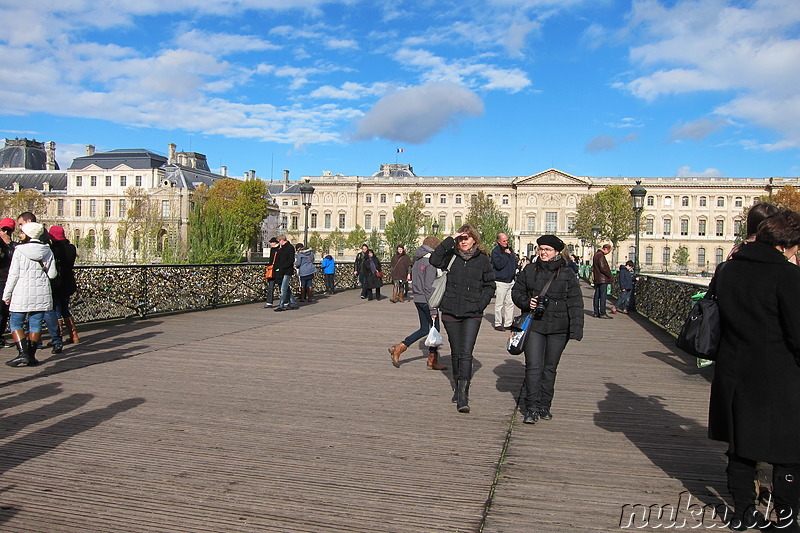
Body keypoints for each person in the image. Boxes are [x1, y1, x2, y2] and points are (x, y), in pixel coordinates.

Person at [708, 209, 800, 532]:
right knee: (788, 450)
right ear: (783, 245)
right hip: (777, 377)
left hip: (732, 372)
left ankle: (744, 510)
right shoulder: (788, 276)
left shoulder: (728, 270)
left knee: (740, 446)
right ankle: (786, 518)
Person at [511, 235, 583, 425]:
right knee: (533, 366)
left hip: (559, 328)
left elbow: (575, 302)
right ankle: (531, 408)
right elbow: (516, 292)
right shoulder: (529, 270)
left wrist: (576, 329)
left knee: (549, 368)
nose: (543, 252)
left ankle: (545, 405)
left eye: (547, 249)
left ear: (557, 252)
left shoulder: (567, 273)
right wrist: (527, 302)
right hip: (535, 324)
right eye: (541, 249)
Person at [429, 224, 495, 413]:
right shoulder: (451, 257)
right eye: (461, 238)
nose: (463, 241)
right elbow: (434, 259)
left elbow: (490, 285)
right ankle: (458, 386)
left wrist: (480, 304)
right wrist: (450, 238)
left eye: (467, 237)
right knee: (456, 352)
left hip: (472, 313)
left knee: (466, 353)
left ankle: (463, 395)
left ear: (475, 239)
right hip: (450, 310)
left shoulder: (483, 260)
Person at [388, 236, 447, 370]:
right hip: (428, 300)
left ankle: (401, 348)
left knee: (424, 329)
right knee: (435, 329)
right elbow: (428, 287)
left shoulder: (417, 261)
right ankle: (429, 359)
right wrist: (433, 309)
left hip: (418, 299)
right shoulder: (430, 263)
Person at [3, 222, 58, 367]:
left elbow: (13, 275)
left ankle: (23, 353)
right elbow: (52, 274)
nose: (20, 235)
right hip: (41, 292)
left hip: (22, 292)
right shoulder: (47, 250)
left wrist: (6, 294)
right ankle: (31, 356)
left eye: (22, 233)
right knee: (35, 323)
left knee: (15, 322)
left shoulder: (19, 250)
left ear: (27, 235)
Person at [48, 225, 79, 344]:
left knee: (56, 309)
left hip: (56, 283)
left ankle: (57, 337)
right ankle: (74, 335)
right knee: (65, 309)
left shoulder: (53, 248)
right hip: (68, 281)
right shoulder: (71, 248)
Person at [491, 233, 516, 332]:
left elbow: (513, 262)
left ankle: (508, 323)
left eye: (507, 240)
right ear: (499, 241)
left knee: (510, 303)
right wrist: (506, 255)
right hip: (501, 281)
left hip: (510, 280)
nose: (506, 242)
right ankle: (498, 323)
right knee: (499, 304)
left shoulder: (510, 250)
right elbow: (498, 265)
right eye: (504, 241)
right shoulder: (495, 252)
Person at [273, 235, 299, 312]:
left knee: (283, 288)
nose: (278, 243)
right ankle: (293, 303)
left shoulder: (289, 248)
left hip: (287, 271)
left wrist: (282, 267)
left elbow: (290, 260)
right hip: (282, 271)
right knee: (286, 288)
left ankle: (282, 305)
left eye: (279, 241)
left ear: (282, 240)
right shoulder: (281, 248)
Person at [0, 218, 15, 348]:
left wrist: (8, 244)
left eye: (8, 231)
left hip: (5, 280)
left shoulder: (12, 245)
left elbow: (14, 258)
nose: (5, 232)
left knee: (4, 311)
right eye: (3, 229)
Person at [591, 243, 614, 318]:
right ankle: (602, 312)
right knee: (603, 296)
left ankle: (596, 312)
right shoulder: (601, 255)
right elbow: (603, 268)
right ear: (606, 249)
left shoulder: (596, 254)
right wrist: (609, 275)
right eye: (609, 251)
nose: (608, 253)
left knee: (597, 295)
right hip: (603, 279)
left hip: (597, 278)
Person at [263, 237, 279, 308]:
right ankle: (287, 301)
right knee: (281, 287)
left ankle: (269, 302)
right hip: (275, 269)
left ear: (275, 243)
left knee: (271, 287)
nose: (270, 244)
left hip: (274, 270)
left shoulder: (277, 249)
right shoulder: (276, 249)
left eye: (271, 242)